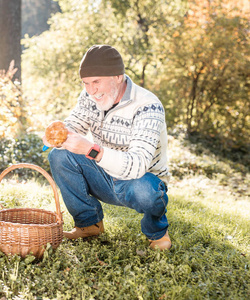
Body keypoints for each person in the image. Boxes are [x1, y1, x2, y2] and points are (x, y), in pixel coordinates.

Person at [43, 45, 171, 250]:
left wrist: (91, 149)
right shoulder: (90, 97)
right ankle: (89, 223)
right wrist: (59, 135)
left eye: (96, 82)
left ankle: (157, 231)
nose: (91, 90)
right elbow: (75, 124)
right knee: (59, 155)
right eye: (86, 83)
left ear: (118, 77)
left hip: (139, 182)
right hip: (104, 175)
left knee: (147, 192)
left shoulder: (147, 105)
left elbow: (138, 165)